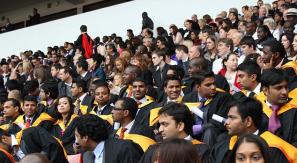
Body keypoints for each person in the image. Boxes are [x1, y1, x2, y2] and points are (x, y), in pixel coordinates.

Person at [209, 97, 297, 163]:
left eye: (232, 118)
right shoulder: (221, 147)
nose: (226, 122)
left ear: (248, 121)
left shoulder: (273, 148)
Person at [140, 102, 209, 163]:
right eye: (160, 125)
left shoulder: (201, 151)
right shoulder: (154, 149)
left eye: (165, 124)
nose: (160, 129)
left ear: (180, 126)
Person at [183, 71, 233, 146]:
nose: (213, 87)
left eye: (214, 84)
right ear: (198, 87)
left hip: (214, 135)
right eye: (208, 85)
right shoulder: (188, 98)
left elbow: (220, 121)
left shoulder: (223, 97)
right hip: (191, 134)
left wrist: (201, 127)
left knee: (210, 131)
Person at [76, 114, 143, 163]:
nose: (76, 142)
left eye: (77, 136)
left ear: (85, 138)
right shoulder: (87, 157)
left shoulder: (125, 148)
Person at [258, 68, 297, 145]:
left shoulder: (294, 110)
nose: (284, 92)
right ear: (265, 90)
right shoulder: (256, 111)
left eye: (286, 87)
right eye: (278, 88)